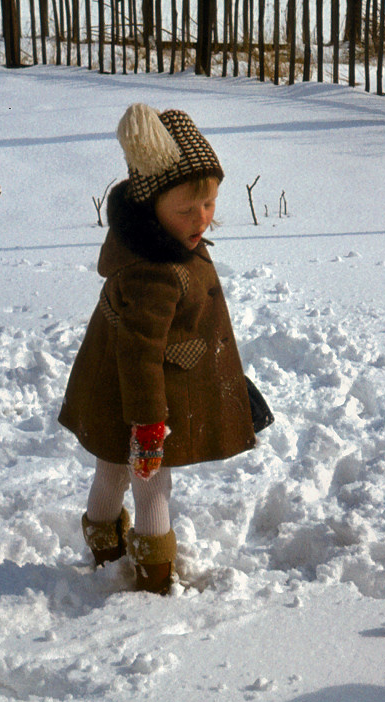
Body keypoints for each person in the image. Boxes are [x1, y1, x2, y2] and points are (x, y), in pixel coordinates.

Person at [60, 104, 257, 594]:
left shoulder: (166, 244)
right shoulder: (154, 272)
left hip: (116, 391)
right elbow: (140, 354)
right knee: (151, 484)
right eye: (187, 211)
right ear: (152, 209)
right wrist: (148, 426)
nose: (202, 219)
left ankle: (105, 551)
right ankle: (154, 579)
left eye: (209, 204)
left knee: (111, 468)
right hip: (142, 399)